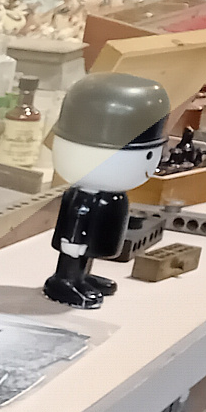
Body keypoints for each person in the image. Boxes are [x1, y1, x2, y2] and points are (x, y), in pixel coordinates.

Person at [43, 73, 173, 308]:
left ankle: (82, 276)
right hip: (75, 244)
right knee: (76, 254)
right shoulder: (83, 196)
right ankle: (65, 280)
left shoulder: (113, 194)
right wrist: (72, 243)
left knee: (89, 250)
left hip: (94, 229)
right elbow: (76, 216)